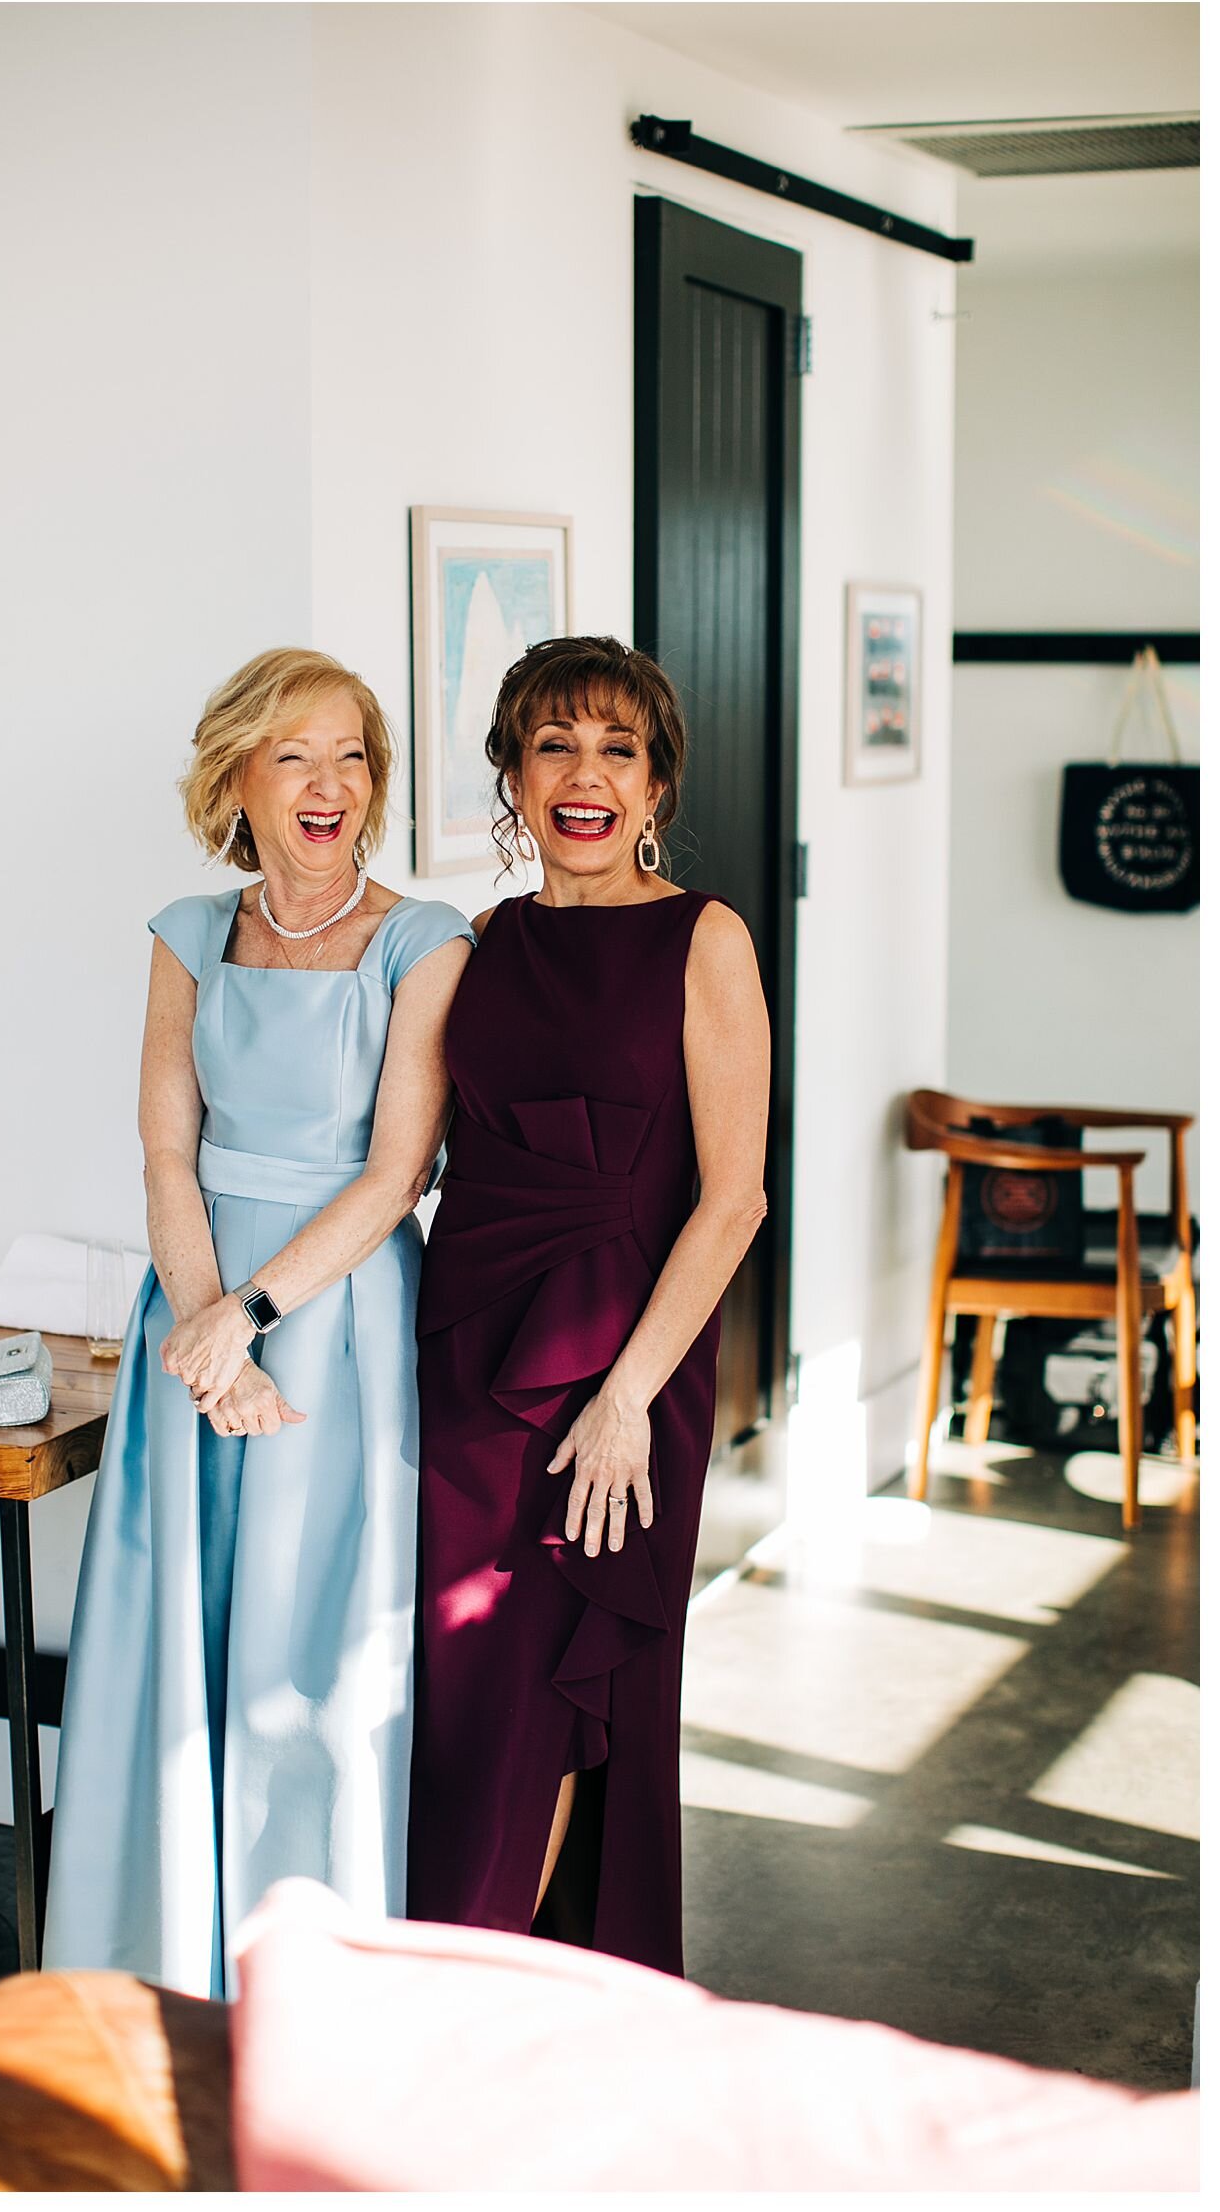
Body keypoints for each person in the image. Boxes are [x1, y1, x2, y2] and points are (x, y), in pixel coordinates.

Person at [44, 647, 473, 1998]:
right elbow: (169, 1154)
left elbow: (398, 1170)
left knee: (317, 1653)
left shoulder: (427, 940)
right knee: (182, 1621)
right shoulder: (185, 932)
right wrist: (201, 1329)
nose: (328, 783)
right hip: (195, 1314)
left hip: (340, 1323)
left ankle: (316, 1978)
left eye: (352, 755)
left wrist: (257, 1314)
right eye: (294, 755)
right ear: (238, 775)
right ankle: (157, 1959)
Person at [407, 634, 770, 1977]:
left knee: (547, 1690)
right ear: (510, 772)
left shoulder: (706, 938)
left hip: (624, 1367)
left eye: (618, 748)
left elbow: (732, 1202)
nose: (585, 775)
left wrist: (624, 1400)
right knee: (464, 1691)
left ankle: (479, 1997)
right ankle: (497, 1988)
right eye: (554, 744)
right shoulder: (486, 940)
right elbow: (411, 1153)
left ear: (656, 784)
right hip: (467, 1353)